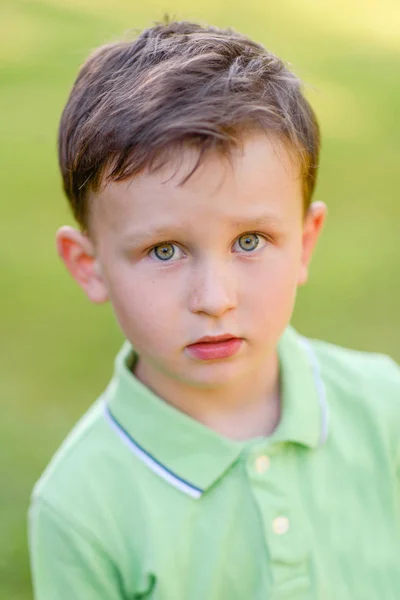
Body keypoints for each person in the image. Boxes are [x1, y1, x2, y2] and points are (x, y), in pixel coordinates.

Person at [28, 18, 400, 600]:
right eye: (164, 250)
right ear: (88, 264)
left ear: (305, 242)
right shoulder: (81, 505)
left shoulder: (384, 408)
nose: (214, 299)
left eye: (250, 241)